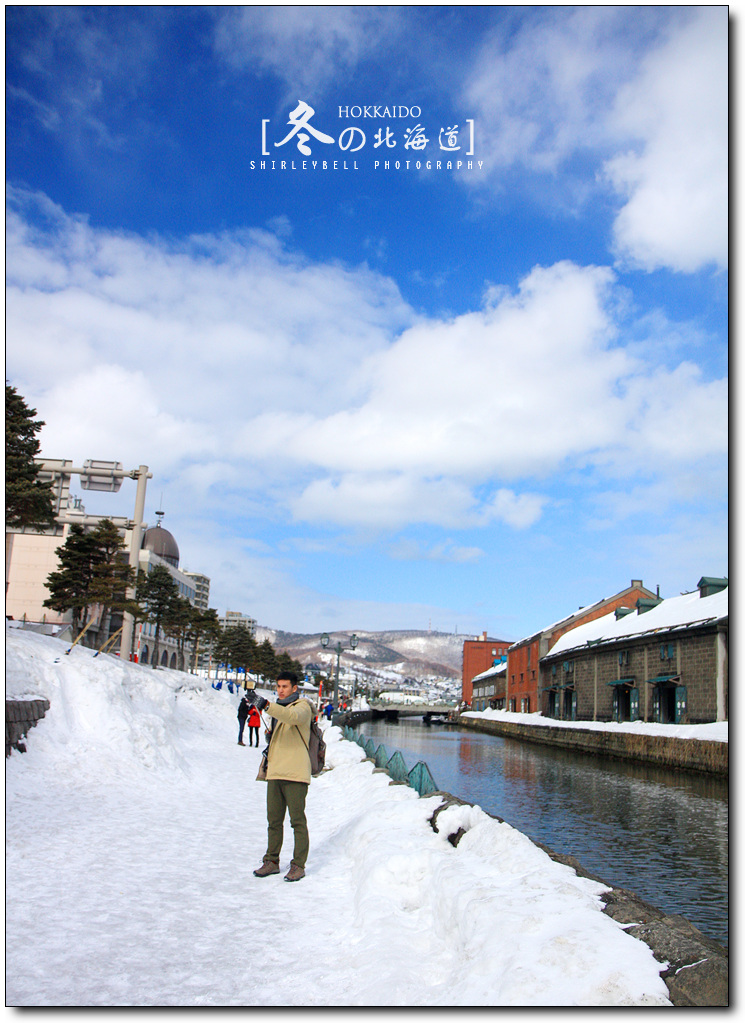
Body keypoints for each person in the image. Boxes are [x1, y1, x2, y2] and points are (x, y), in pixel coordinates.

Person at [246, 672, 312, 882]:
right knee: (273, 821)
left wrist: (265, 704)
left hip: (295, 774)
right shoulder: (278, 710)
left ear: (295, 688)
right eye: (278, 686)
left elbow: (292, 719)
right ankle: (271, 861)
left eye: (285, 686)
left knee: (297, 821)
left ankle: (298, 865)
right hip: (275, 773)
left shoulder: (303, 707)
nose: (281, 690)